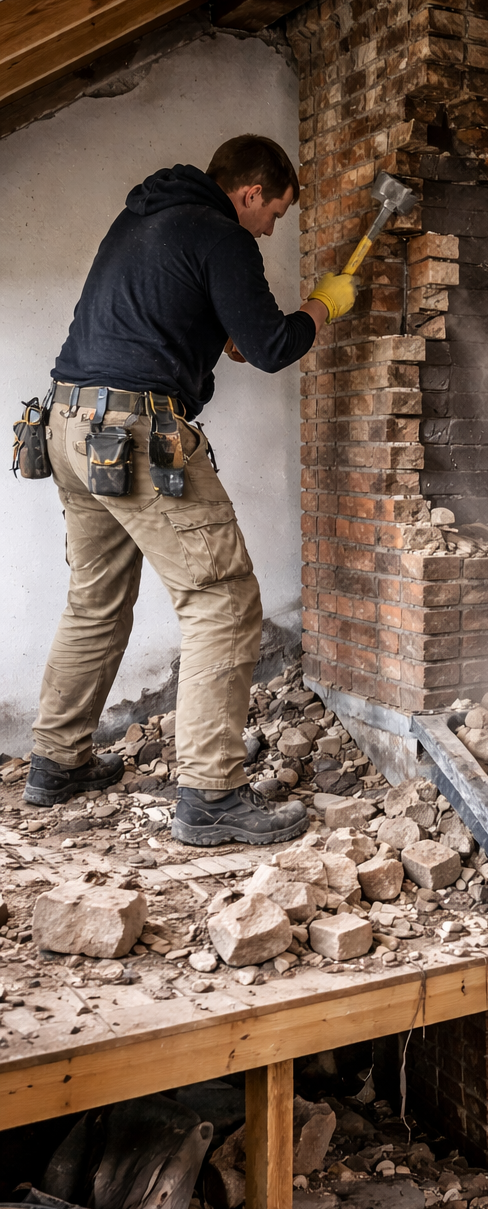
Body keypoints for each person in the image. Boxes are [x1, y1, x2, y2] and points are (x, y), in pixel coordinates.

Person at [24, 135, 357, 845]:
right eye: (274, 213)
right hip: (134, 433)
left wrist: (230, 330)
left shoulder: (143, 220)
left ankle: (56, 761)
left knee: (96, 597)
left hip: (67, 424)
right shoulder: (221, 235)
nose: (271, 229)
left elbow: (185, 322)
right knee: (222, 601)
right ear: (248, 194)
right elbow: (272, 349)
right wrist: (324, 307)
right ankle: (210, 794)